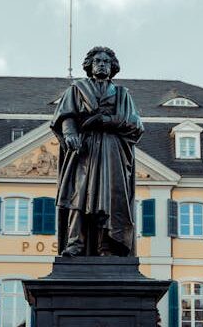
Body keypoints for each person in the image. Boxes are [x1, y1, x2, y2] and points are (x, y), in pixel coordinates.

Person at [50, 46, 144, 257]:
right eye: (97, 61)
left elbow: (135, 124)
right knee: (79, 195)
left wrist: (106, 120)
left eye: (106, 61)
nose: (102, 64)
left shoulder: (121, 94)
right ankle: (75, 243)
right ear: (89, 66)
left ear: (112, 67)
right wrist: (70, 133)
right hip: (85, 149)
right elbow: (66, 116)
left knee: (109, 198)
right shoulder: (77, 89)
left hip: (112, 151)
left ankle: (107, 246)